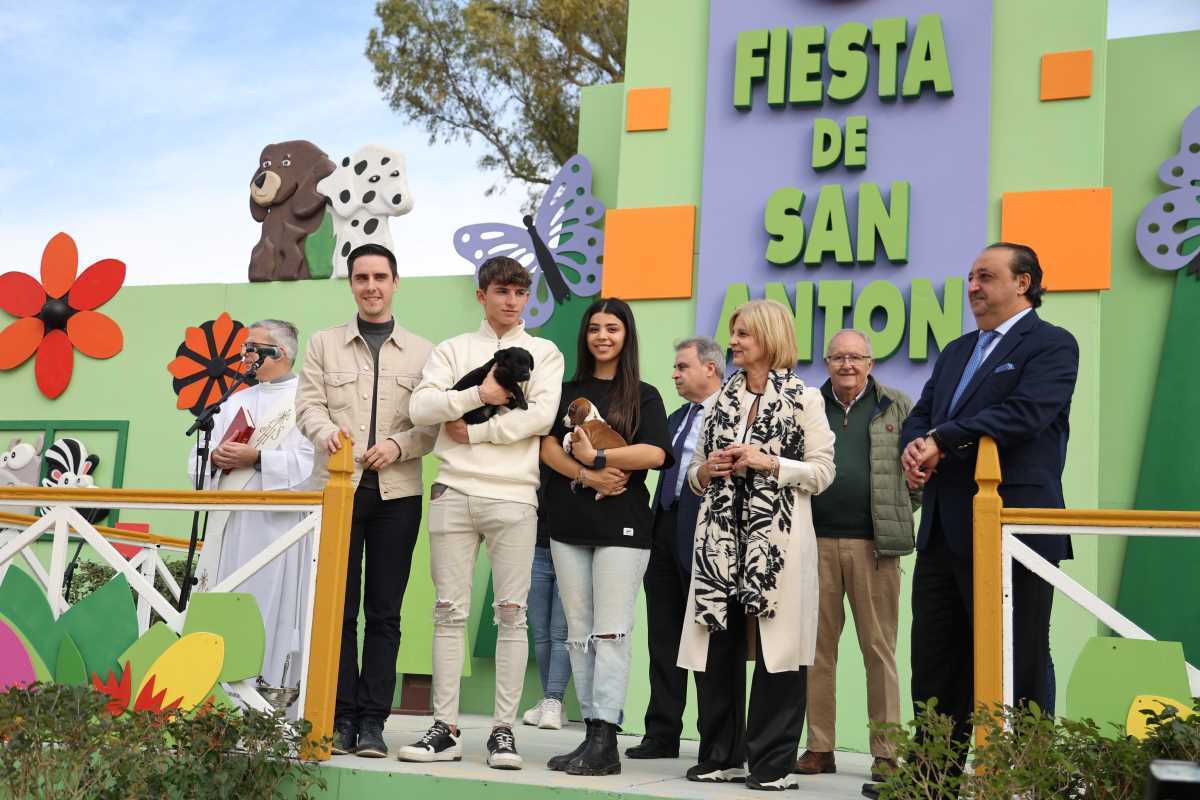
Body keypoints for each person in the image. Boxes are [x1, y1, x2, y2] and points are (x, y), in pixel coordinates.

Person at [898, 242, 1078, 773]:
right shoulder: (956, 350)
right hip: (941, 534)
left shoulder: (1051, 345)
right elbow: (923, 415)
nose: (972, 287)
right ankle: (931, 781)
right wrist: (915, 447)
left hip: (1014, 533)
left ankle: (1025, 779)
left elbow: (1025, 415)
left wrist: (942, 440)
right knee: (934, 667)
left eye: (985, 276)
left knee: (1017, 666)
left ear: (1023, 283)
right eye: (970, 277)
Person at [398, 256, 564, 770]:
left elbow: (543, 415)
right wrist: (479, 395)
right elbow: (420, 410)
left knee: (511, 616)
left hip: (515, 495)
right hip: (453, 490)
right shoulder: (453, 349)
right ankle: (444, 730)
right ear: (481, 295)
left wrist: (479, 428)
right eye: (502, 291)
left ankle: (502, 733)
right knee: (449, 613)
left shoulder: (545, 351)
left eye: (520, 292)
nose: (512, 301)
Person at [678, 298, 835, 792]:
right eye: (733, 333)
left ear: (769, 337)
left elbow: (823, 471)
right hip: (721, 542)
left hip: (779, 545)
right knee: (716, 643)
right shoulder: (721, 400)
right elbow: (694, 469)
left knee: (777, 651)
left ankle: (772, 764)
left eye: (743, 334)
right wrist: (707, 471)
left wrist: (769, 463)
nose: (734, 342)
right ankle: (720, 754)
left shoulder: (805, 398)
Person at [295, 244, 437, 758]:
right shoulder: (323, 344)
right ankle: (339, 716)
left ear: (396, 282)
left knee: (384, 612)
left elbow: (433, 423)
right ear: (351, 284)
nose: (371, 286)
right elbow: (307, 405)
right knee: (338, 609)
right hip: (337, 493)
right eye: (361, 277)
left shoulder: (424, 352)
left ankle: (374, 720)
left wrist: (400, 445)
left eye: (380, 276)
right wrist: (327, 431)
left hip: (398, 497)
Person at [539, 297, 672, 777]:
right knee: (578, 634)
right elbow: (548, 445)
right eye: (594, 327)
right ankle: (591, 735)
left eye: (612, 328)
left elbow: (655, 454)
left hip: (624, 527)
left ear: (626, 336)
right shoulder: (565, 389)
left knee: (611, 632)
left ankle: (606, 738)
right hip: (569, 523)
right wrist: (587, 474)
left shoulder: (645, 394)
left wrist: (600, 461)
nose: (602, 336)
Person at [793, 329, 918, 783]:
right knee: (817, 651)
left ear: (871, 362)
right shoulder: (807, 405)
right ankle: (819, 747)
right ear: (826, 362)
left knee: (879, 650)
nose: (847, 365)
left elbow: (918, 473)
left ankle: (886, 754)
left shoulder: (896, 405)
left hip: (875, 546)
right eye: (838, 357)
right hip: (814, 542)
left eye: (856, 357)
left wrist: (899, 510)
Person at [189, 319, 314, 693]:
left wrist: (257, 458)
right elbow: (197, 459)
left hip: (276, 526)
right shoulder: (233, 400)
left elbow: (312, 464)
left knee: (266, 608)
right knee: (222, 601)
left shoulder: (307, 400)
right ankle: (217, 691)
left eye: (254, 347)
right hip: (228, 524)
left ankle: (266, 693)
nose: (246, 355)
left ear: (282, 353)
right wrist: (214, 459)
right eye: (245, 347)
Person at [626, 337, 725, 761]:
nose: (675, 374)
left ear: (710, 369)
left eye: (683, 366)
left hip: (706, 530)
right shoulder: (679, 416)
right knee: (663, 636)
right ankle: (662, 732)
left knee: (706, 636)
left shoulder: (734, 412)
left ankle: (714, 740)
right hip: (663, 527)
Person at [520, 481, 571, 731]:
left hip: (571, 546)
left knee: (561, 632)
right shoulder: (535, 449)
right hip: (536, 546)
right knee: (540, 633)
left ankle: (554, 699)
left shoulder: (578, 447)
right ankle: (552, 702)